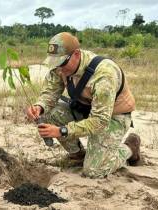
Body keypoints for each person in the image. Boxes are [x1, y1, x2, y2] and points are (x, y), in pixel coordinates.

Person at [26, 32, 141, 178]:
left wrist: (62, 131)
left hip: (112, 118)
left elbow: (100, 121)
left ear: (76, 54)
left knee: (94, 171)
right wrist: (40, 106)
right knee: (49, 112)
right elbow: (50, 93)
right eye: (54, 64)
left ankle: (130, 148)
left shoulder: (104, 74)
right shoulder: (61, 67)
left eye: (61, 63)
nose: (59, 69)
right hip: (85, 111)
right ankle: (78, 155)